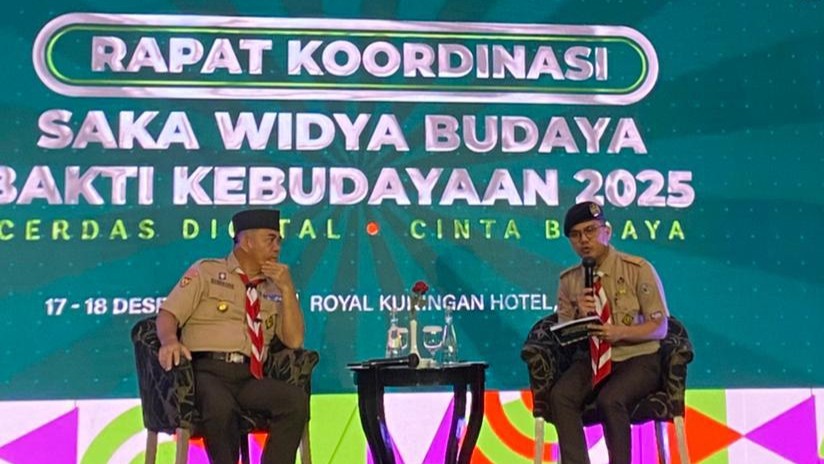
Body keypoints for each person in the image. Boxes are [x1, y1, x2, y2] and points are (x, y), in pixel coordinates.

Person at [156, 209, 307, 464]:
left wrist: (287, 289)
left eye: (279, 241)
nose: (277, 247)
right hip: (207, 372)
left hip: (249, 376)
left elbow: (294, 341)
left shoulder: (274, 287)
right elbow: (168, 314)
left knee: (294, 401)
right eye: (271, 239)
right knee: (220, 407)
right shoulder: (207, 271)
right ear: (247, 242)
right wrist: (170, 340)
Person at [550, 201, 669, 464]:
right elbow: (563, 337)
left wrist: (620, 332)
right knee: (561, 396)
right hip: (593, 359)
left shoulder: (637, 269)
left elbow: (660, 327)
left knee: (610, 399)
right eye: (576, 235)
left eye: (590, 230)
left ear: (607, 231)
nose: (584, 240)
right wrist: (580, 314)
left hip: (638, 357)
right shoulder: (569, 281)